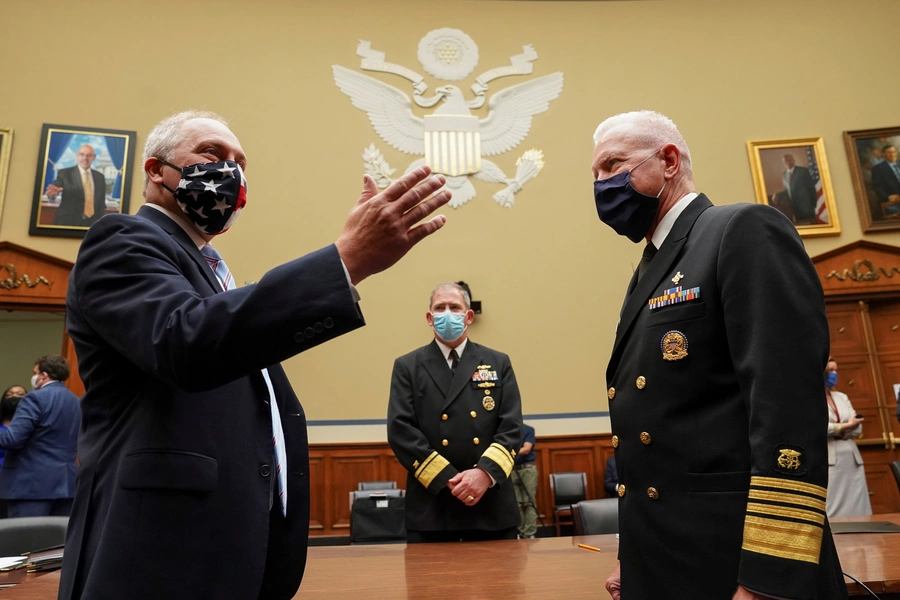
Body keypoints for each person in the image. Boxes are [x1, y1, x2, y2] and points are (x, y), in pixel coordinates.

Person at [59, 110, 451, 600]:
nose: (230, 170)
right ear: (156, 170)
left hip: (232, 554)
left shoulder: (212, 274)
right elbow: (186, 342)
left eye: (240, 163)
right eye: (211, 154)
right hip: (159, 554)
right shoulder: (120, 241)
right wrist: (345, 262)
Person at [591, 110, 846, 600]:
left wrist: (770, 576)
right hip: (671, 559)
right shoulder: (651, 270)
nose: (601, 184)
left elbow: (785, 407)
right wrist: (637, 555)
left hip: (737, 565)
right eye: (596, 174)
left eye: (613, 164)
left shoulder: (742, 229)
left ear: (668, 161)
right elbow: (661, 433)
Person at [387, 282, 523, 543]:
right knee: (430, 585)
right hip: (433, 505)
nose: (446, 313)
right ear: (429, 318)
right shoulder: (408, 366)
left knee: (500, 584)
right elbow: (400, 430)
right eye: (440, 308)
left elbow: (511, 427)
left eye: (454, 307)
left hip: (490, 505)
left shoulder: (497, 362)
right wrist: (450, 480)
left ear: (468, 316)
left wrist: (483, 474)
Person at [0, 356, 80, 518]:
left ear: (43, 375)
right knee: (57, 541)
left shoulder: (34, 398)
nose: (34, 377)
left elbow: (11, 439)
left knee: (26, 541)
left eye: (34, 372)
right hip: (67, 486)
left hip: (31, 487)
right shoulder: (77, 402)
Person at [824, 358, 871, 518]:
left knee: (859, 502)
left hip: (851, 457)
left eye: (836, 370)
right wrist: (845, 427)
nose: (835, 374)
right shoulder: (812, 399)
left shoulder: (841, 397)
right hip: (830, 457)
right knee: (833, 503)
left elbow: (858, 428)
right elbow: (818, 428)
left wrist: (839, 428)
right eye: (831, 370)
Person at [45, 144, 107, 227]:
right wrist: (52, 194)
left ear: (94, 157)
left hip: (93, 225)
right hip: (68, 222)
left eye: (89, 155)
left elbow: (101, 204)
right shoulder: (65, 174)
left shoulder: (100, 177)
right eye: (82, 154)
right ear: (77, 156)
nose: (85, 158)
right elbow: (55, 190)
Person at [774, 153, 818, 225]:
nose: (788, 162)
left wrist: (813, 205)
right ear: (784, 163)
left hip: (807, 207)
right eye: (785, 161)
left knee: (811, 226)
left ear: (793, 160)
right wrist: (776, 194)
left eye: (789, 160)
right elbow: (787, 190)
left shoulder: (803, 171)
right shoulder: (784, 175)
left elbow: (811, 188)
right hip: (795, 208)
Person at [513, 422, 538, 538]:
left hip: (527, 469)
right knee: (515, 503)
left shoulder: (528, 429)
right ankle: (520, 531)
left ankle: (529, 533)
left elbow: (526, 449)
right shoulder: (509, 430)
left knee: (529, 502)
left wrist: (508, 453)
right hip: (512, 469)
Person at [871, 145, 900, 217]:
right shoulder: (877, 169)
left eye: (893, 152)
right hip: (893, 202)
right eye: (889, 153)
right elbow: (877, 187)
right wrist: (889, 197)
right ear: (884, 154)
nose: (892, 154)